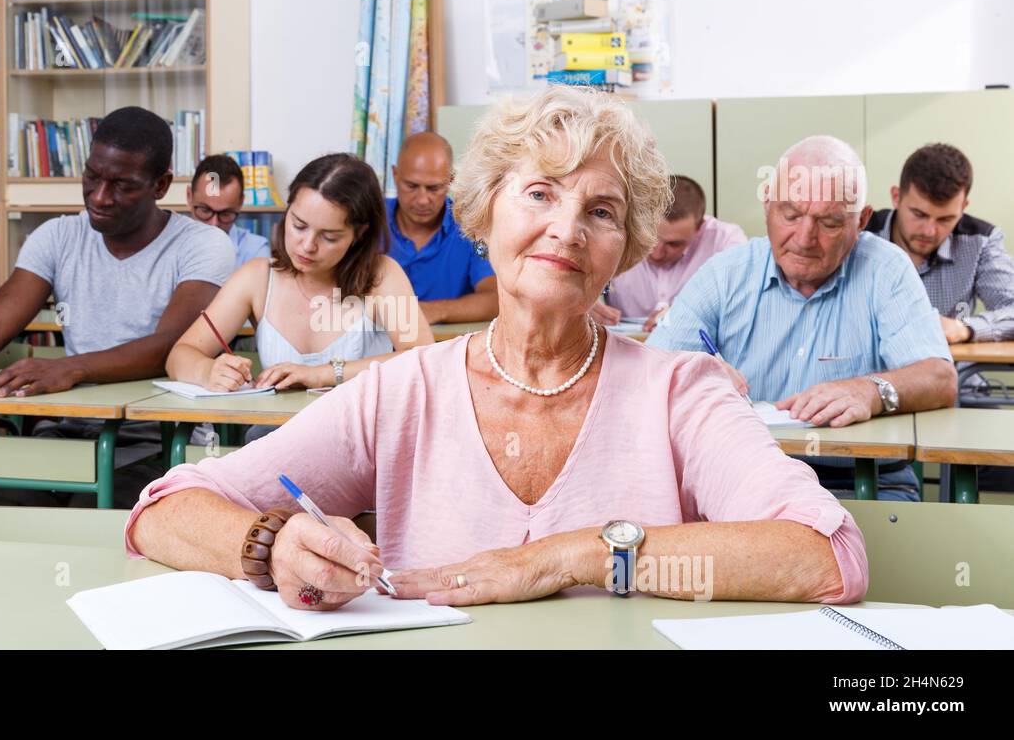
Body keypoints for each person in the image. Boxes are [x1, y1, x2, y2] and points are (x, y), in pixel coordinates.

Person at [126, 87, 868, 612]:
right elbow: (162, 510)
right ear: (483, 213)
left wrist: (566, 557)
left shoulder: (682, 391)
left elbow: (828, 555)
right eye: (540, 193)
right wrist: (271, 545)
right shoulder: (404, 391)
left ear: (627, 248)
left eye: (600, 210)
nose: (567, 229)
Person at [0, 106, 235, 506]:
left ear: (161, 184)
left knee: (83, 518)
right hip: (68, 437)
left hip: (161, 444)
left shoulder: (203, 245)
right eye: (92, 177)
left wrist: (70, 368)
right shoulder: (57, 236)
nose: (100, 197)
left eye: (123, 185)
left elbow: (171, 346)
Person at [648, 135, 957, 500]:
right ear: (767, 205)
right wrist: (694, 371)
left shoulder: (886, 270)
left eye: (829, 222)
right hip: (741, 478)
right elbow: (650, 371)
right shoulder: (725, 274)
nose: (805, 238)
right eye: (790, 215)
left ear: (862, 220)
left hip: (862, 484)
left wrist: (870, 390)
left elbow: (940, 379)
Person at [167, 153, 432, 401]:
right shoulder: (257, 279)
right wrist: (207, 371)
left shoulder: (383, 276)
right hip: (275, 436)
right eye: (298, 225)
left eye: (329, 236)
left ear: (359, 233)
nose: (307, 246)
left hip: (360, 441)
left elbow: (425, 361)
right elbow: (180, 355)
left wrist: (323, 374)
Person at [869, 143, 1014, 343]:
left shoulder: (981, 242)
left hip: (958, 373)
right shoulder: (859, 238)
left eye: (945, 219)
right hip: (878, 374)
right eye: (919, 214)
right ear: (896, 197)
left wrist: (965, 328)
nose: (929, 231)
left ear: (963, 207)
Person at [600, 175, 746, 331]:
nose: (656, 253)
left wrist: (689, 312)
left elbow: (743, 298)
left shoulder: (724, 240)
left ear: (700, 228)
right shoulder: (611, 230)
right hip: (619, 348)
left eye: (674, 244)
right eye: (651, 238)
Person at [387, 132, 497, 323]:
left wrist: (432, 311)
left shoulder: (472, 225)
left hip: (441, 347)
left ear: (451, 180)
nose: (422, 200)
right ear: (395, 175)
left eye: (433, 188)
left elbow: (495, 299)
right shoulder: (368, 220)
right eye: (412, 186)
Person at [186, 154, 270, 266]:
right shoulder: (170, 244)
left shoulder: (256, 251)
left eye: (225, 214)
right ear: (189, 196)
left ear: (241, 202)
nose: (214, 224)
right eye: (205, 210)